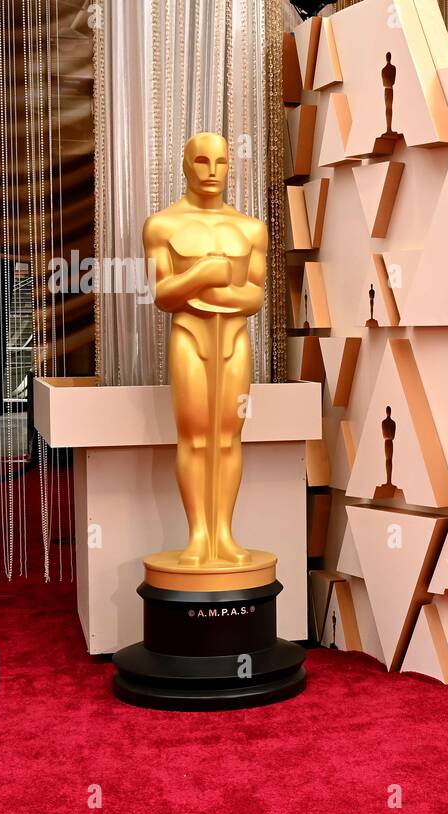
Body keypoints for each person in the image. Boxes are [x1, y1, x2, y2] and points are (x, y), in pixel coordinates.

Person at [143, 133, 267, 566]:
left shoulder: (251, 228)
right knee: (195, 437)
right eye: (200, 161)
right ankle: (199, 534)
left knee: (230, 437)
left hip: (234, 339)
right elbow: (162, 294)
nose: (211, 172)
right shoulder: (163, 226)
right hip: (189, 339)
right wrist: (205, 276)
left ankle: (224, 534)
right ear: (184, 165)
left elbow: (254, 298)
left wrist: (200, 291)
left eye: (220, 163)